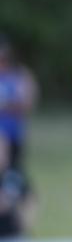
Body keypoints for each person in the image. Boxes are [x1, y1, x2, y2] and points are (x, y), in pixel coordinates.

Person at [0, 35, 38, 174]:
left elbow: (27, 103)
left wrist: (7, 105)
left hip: (14, 133)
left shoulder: (19, 75)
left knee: (14, 171)